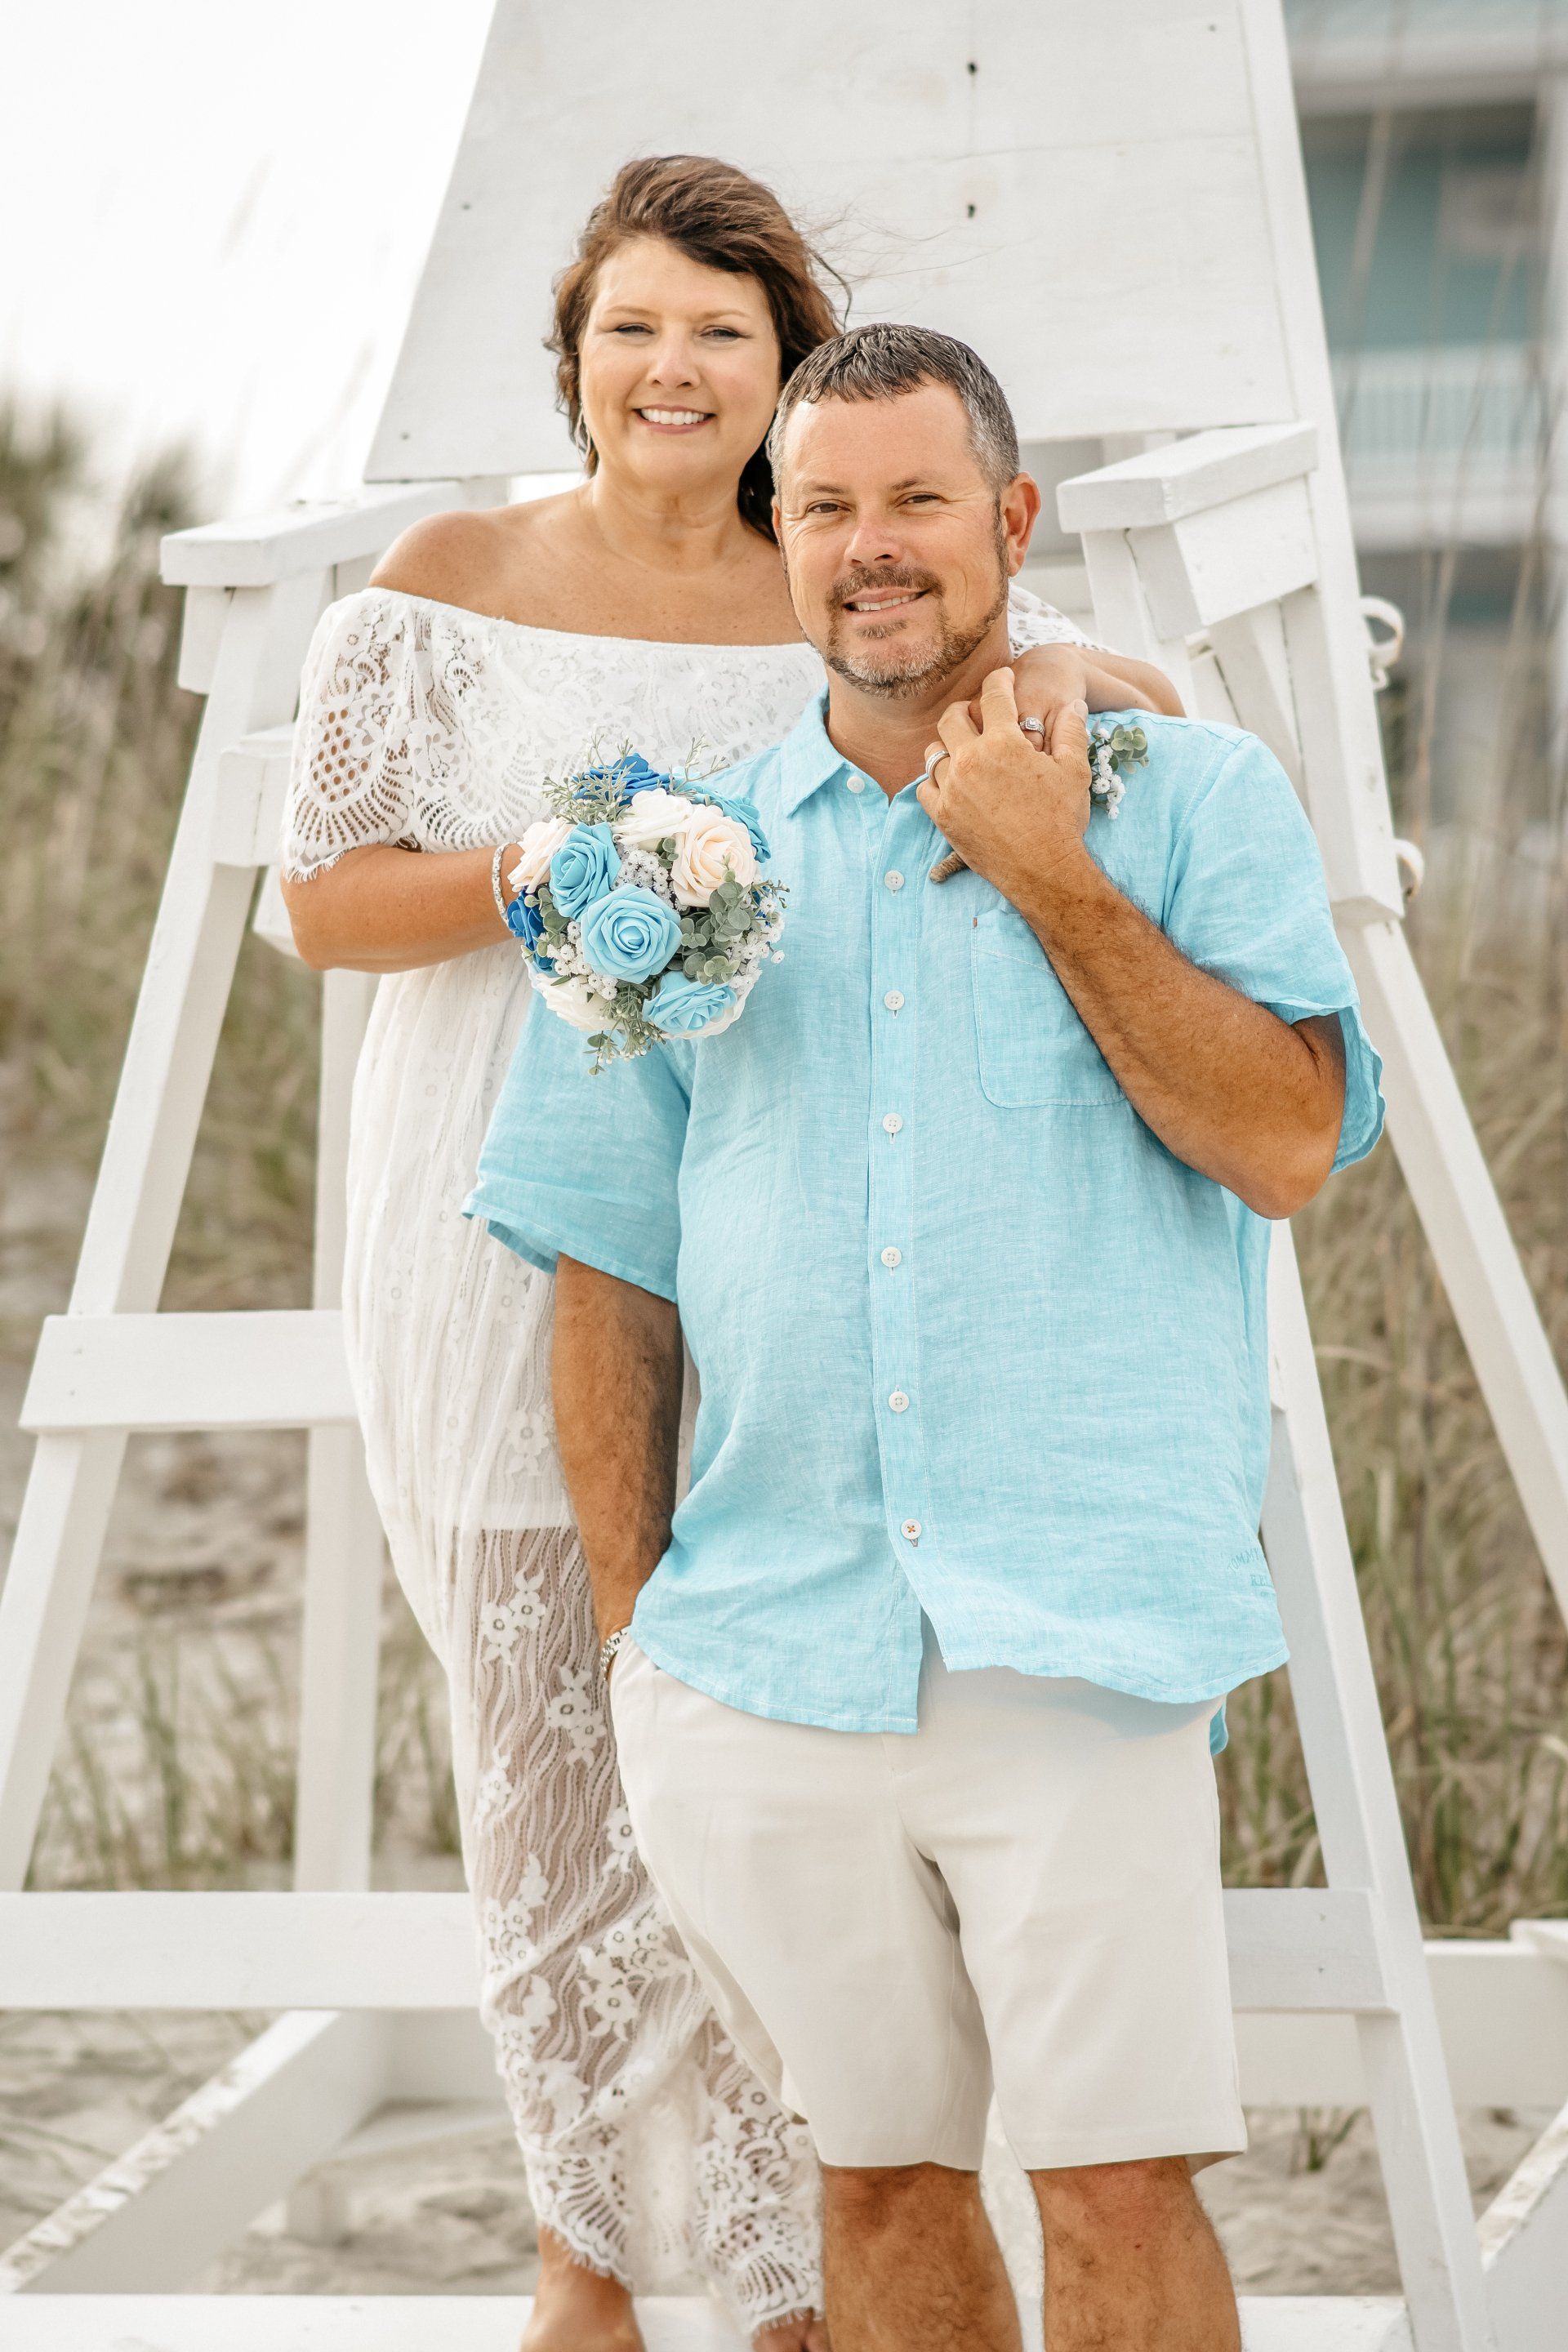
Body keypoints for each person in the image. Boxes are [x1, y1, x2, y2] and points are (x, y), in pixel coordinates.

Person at [280, 158, 1183, 2350]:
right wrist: (578, 869)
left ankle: (790, 2276)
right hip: (483, 1213)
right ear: (574, 357)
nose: (671, 369)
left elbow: (1060, 683)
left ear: (784, 383)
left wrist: (1103, 688)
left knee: (775, 1748)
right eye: (632, 329)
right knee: (551, 1745)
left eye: (721, 335)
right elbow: (322, 900)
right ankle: (587, 2253)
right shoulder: (437, 582)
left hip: (782, 1220)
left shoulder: (826, 588)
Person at [466, 322, 1386, 2352]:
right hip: (769, 1642)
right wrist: (639, 1645)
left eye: (919, 502)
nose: (873, 548)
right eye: (829, 508)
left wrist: (1054, 882)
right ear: (777, 535)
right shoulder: (669, 858)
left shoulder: (1190, 799)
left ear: (1013, 523)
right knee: (872, 2182)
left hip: (1080, 1627)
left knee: (1122, 2181)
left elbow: (1291, 1143)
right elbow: (604, 1272)